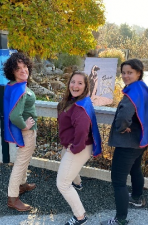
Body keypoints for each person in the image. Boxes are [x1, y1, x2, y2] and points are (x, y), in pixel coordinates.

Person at [101, 59, 148, 225]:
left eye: (129, 72)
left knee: (118, 181)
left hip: (127, 144)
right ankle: (137, 198)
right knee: (136, 169)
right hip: (141, 140)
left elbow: (124, 115)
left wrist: (122, 127)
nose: (125, 76)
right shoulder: (143, 87)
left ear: (139, 73)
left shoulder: (132, 92)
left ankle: (120, 219)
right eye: (123, 72)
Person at [56, 71, 102, 225]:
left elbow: (82, 132)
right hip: (74, 145)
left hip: (79, 148)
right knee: (66, 170)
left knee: (62, 184)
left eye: (80, 83)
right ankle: (77, 183)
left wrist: (74, 148)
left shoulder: (80, 107)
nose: (75, 86)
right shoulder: (75, 101)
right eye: (73, 82)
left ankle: (80, 216)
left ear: (85, 86)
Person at [3, 52, 37, 212]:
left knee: (24, 159)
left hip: (25, 132)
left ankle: (22, 185)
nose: (23, 70)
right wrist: (25, 126)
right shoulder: (21, 89)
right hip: (26, 133)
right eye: (18, 69)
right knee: (21, 163)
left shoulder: (12, 85)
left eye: (25, 66)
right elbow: (15, 115)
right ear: (12, 71)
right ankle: (12, 198)